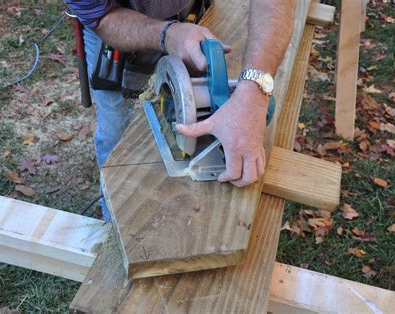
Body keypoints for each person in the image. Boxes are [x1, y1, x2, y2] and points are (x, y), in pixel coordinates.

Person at [66, 0, 296, 220]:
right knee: (115, 131)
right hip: (116, 21)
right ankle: (112, 217)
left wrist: (253, 91)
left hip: (192, 13)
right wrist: (167, 34)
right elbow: (102, 16)